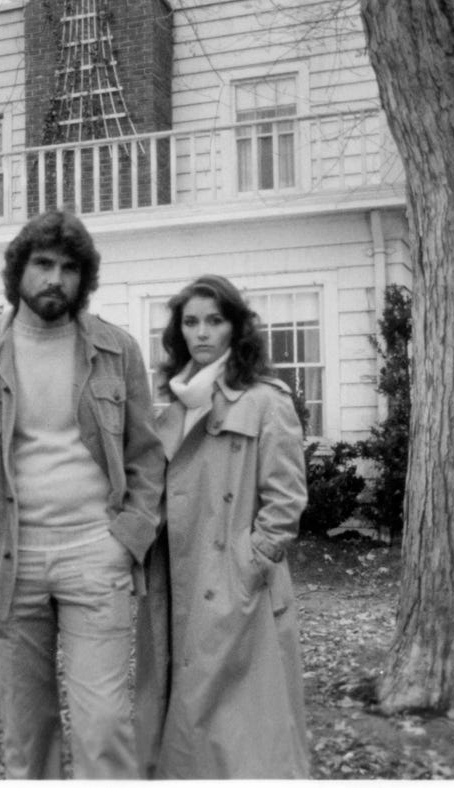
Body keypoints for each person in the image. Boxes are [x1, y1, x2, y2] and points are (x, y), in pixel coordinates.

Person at [0, 210, 165, 779]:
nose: (55, 278)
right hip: (10, 564)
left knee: (104, 725)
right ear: (18, 271)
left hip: (96, 555)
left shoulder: (117, 351)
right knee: (27, 732)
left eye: (68, 267)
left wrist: (128, 537)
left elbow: (146, 455)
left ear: (84, 278)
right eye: (42, 264)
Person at [135, 273, 311, 779]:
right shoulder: (176, 406)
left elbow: (285, 497)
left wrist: (253, 561)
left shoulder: (266, 400)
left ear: (236, 327)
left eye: (214, 320)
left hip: (237, 582)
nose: (202, 332)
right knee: (189, 714)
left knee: (243, 726)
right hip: (179, 580)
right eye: (191, 322)